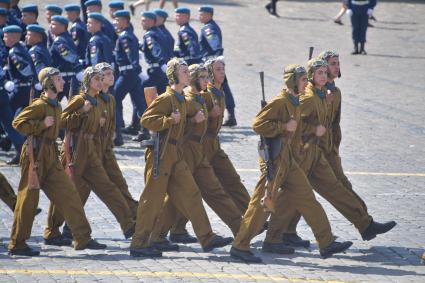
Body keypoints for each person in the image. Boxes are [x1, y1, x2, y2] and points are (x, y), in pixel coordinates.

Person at [229, 64, 353, 263]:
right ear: (293, 82)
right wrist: (282, 126)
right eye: (303, 79)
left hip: (289, 161)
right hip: (276, 162)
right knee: (261, 206)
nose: (307, 83)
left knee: (307, 198)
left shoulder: (296, 101)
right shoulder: (281, 101)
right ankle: (240, 245)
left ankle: (326, 242)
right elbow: (258, 124)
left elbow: (297, 133)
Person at [130, 58, 233, 258]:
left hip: (177, 154)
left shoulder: (180, 99)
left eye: (187, 71)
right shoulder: (166, 98)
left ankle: (206, 237)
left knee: (192, 193)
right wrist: (169, 120)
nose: (187, 75)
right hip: (161, 154)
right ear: (175, 75)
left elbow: (183, 122)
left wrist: (190, 119)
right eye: (184, 72)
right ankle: (139, 243)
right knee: (152, 200)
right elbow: (147, 120)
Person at [8, 67, 106, 256]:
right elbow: (17, 123)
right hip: (35, 155)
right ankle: (17, 243)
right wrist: (40, 125)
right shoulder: (40, 105)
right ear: (49, 83)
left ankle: (82, 237)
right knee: (28, 201)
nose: (62, 81)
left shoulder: (56, 105)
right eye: (58, 79)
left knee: (69, 194)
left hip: (51, 154)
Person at [150, 64, 244, 247]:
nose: (207, 81)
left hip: (199, 150)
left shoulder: (201, 98)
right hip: (185, 150)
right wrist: (192, 121)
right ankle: (157, 234)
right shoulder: (184, 99)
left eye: (206, 77)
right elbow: (174, 126)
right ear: (193, 79)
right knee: (178, 198)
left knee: (214, 190)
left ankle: (241, 229)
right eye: (202, 77)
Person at [44, 66, 136, 243]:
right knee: (68, 192)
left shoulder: (99, 101)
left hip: (91, 149)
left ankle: (128, 225)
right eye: (97, 79)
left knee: (107, 187)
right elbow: (62, 121)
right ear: (88, 82)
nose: (100, 82)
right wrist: (81, 112)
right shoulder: (80, 99)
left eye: (102, 79)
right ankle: (53, 230)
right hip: (76, 150)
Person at [132, 11, 169, 142]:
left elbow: (155, 50)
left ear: (152, 21)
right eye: (142, 20)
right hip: (161, 72)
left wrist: (161, 62)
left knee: (141, 96)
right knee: (164, 100)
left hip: (156, 71)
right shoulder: (160, 32)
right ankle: (165, 127)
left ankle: (145, 129)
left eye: (144, 20)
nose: (142, 22)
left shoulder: (149, 35)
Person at [112, 10, 147, 146]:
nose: (115, 22)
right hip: (131, 74)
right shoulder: (127, 35)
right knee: (139, 103)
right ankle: (145, 131)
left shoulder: (125, 37)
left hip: (127, 74)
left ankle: (117, 136)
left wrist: (133, 68)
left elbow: (131, 56)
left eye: (118, 20)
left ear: (125, 21)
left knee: (113, 100)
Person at [198, 5, 237, 127]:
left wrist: (214, 62)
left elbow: (215, 45)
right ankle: (231, 116)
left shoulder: (208, 28)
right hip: (215, 62)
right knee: (223, 88)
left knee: (211, 89)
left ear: (209, 15)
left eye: (202, 14)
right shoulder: (210, 26)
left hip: (212, 63)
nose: (200, 16)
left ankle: (211, 114)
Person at [49, 15, 83, 101]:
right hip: (71, 79)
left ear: (62, 26)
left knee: (52, 108)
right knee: (75, 109)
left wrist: (78, 68)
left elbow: (69, 56)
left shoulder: (59, 41)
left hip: (62, 79)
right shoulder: (67, 38)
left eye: (53, 24)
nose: (50, 26)